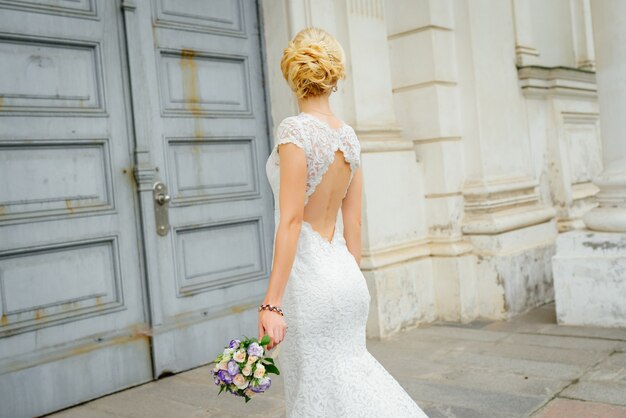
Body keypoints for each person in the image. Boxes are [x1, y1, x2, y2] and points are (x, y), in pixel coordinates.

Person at [259, 27, 429, 417]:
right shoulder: (349, 139)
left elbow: (290, 222)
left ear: (293, 73)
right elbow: (353, 225)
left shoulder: (295, 131)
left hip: (309, 283)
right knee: (351, 382)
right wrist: (346, 279)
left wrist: (272, 303)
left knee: (316, 392)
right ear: (333, 76)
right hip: (347, 279)